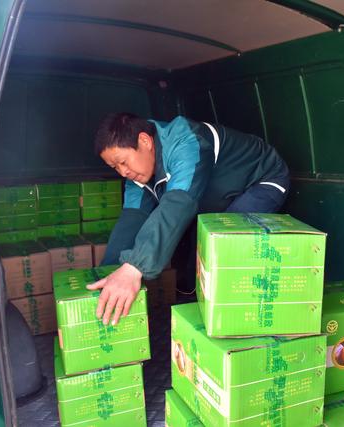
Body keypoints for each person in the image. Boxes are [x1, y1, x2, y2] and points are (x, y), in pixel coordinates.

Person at [86, 113, 290, 325]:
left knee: (226, 245)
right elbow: (132, 218)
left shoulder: (186, 142)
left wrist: (133, 268)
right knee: (203, 247)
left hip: (261, 180)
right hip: (222, 195)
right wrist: (108, 272)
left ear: (144, 141)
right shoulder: (137, 172)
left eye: (122, 162)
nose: (123, 172)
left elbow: (179, 203)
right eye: (115, 167)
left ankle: (240, 323)